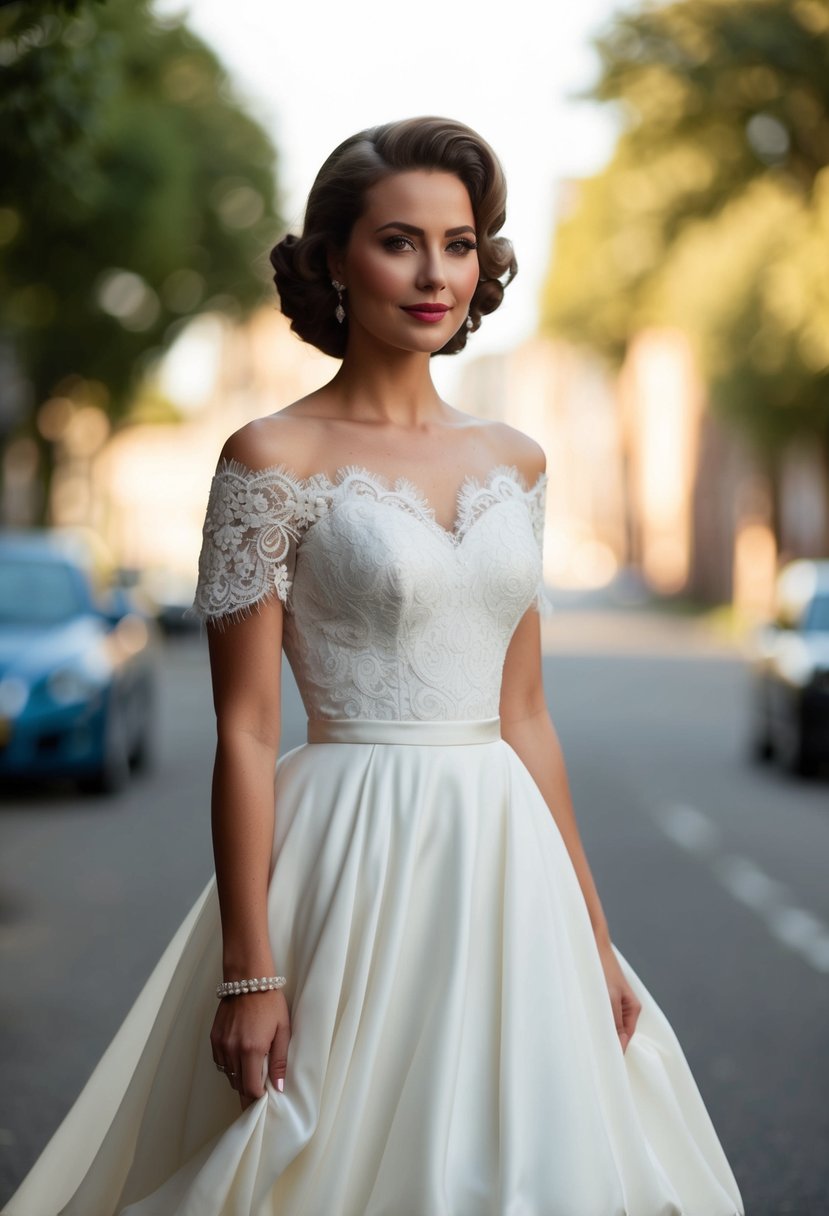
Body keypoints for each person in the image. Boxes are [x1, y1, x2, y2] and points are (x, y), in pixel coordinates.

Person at [4, 116, 744, 1216]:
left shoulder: (517, 462)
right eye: (400, 242)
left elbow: (526, 713)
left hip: (506, 864)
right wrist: (251, 972)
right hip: (348, 853)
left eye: (459, 244)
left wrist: (590, 933)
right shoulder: (268, 457)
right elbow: (248, 730)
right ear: (336, 259)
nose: (436, 273)